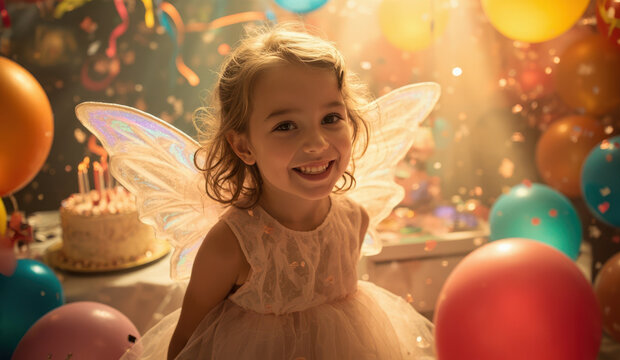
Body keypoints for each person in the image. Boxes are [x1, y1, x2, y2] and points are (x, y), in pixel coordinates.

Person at [121, 22, 437, 360]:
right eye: (285, 126)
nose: (317, 143)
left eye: (331, 118)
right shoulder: (231, 245)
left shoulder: (354, 219)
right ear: (243, 146)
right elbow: (186, 342)